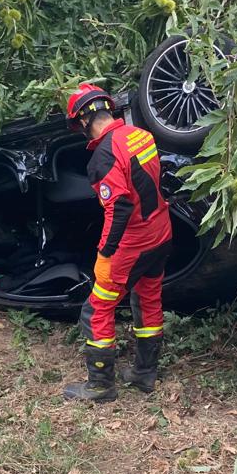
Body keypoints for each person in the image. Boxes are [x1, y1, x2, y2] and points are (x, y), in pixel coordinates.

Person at [62, 83, 173, 402]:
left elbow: (120, 207)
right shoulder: (141, 135)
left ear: (83, 121)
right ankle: (144, 374)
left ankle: (100, 386)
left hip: (132, 243)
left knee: (96, 308)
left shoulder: (102, 157)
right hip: (161, 233)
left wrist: (105, 252)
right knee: (148, 298)